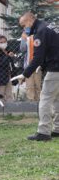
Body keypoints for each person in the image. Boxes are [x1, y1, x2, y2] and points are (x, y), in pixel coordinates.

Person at [18, 11, 59, 141]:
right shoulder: (50, 26)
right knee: (58, 99)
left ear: (30, 20)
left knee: (45, 99)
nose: (24, 28)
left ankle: (43, 132)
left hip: (55, 69)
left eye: (24, 25)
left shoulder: (40, 32)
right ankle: (57, 129)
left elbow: (38, 58)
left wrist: (25, 74)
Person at [20, 31, 42, 101]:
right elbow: (22, 49)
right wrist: (24, 39)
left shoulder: (38, 35)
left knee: (38, 86)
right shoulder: (25, 36)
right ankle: (31, 103)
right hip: (28, 67)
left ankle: (38, 102)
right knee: (30, 86)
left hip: (37, 67)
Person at [0, 35, 14, 102]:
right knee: (1, 94)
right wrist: (8, 56)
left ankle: (10, 110)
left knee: (9, 93)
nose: (3, 43)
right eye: (1, 42)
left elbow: (10, 64)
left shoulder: (7, 50)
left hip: (8, 75)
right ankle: (2, 110)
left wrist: (11, 57)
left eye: (5, 42)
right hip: (0, 76)